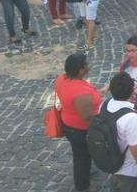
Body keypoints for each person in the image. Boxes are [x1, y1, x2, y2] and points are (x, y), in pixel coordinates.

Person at [55, 53, 102, 192]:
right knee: (82, 157)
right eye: (86, 64)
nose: (89, 65)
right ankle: (82, 185)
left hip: (68, 123)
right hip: (79, 130)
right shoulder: (80, 91)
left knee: (82, 154)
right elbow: (87, 116)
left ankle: (85, 174)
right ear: (80, 70)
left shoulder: (61, 78)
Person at [106, 72, 137, 192]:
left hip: (110, 162)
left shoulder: (105, 105)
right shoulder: (131, 118)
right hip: (128, 171)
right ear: (132, 92)